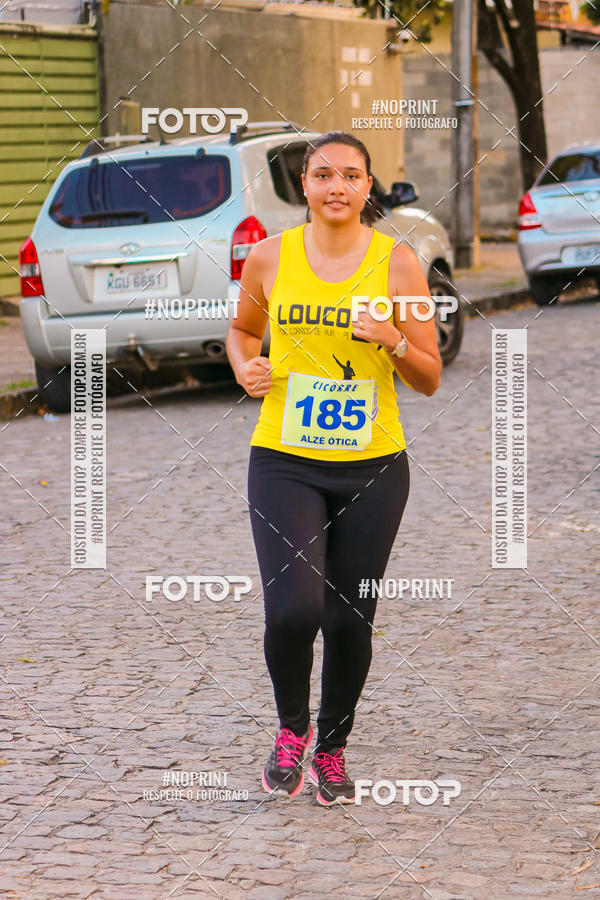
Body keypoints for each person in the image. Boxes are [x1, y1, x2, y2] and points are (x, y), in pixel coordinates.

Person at [226, 130, 441, 807]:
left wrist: (394, 338)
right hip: (284, 460)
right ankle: (291, 728)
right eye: (323, 175)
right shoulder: (268, 258)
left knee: (350, 617)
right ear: (305, 186)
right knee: (294, 609)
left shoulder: (399, 264)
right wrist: (244, 366)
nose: (337, 186)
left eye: (351, 175)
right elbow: (241, 332)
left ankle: (332, 747)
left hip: (373, 467)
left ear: (368, 186)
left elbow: (429, 374)